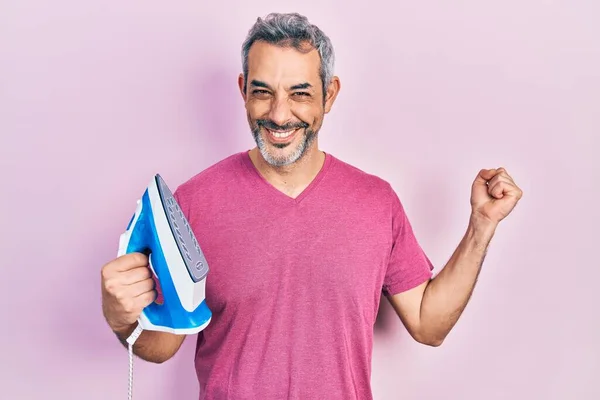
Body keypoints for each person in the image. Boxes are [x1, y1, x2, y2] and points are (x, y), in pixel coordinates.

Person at [101, 12, 523, 400]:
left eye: (299, 94)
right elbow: (161, 346)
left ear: (330, 94)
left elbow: (429, 325)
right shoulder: (193, 203)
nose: (279, 115)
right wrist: (121, 317)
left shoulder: (377, 202)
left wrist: (481, 225)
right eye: (262, 92)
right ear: (242, 90)